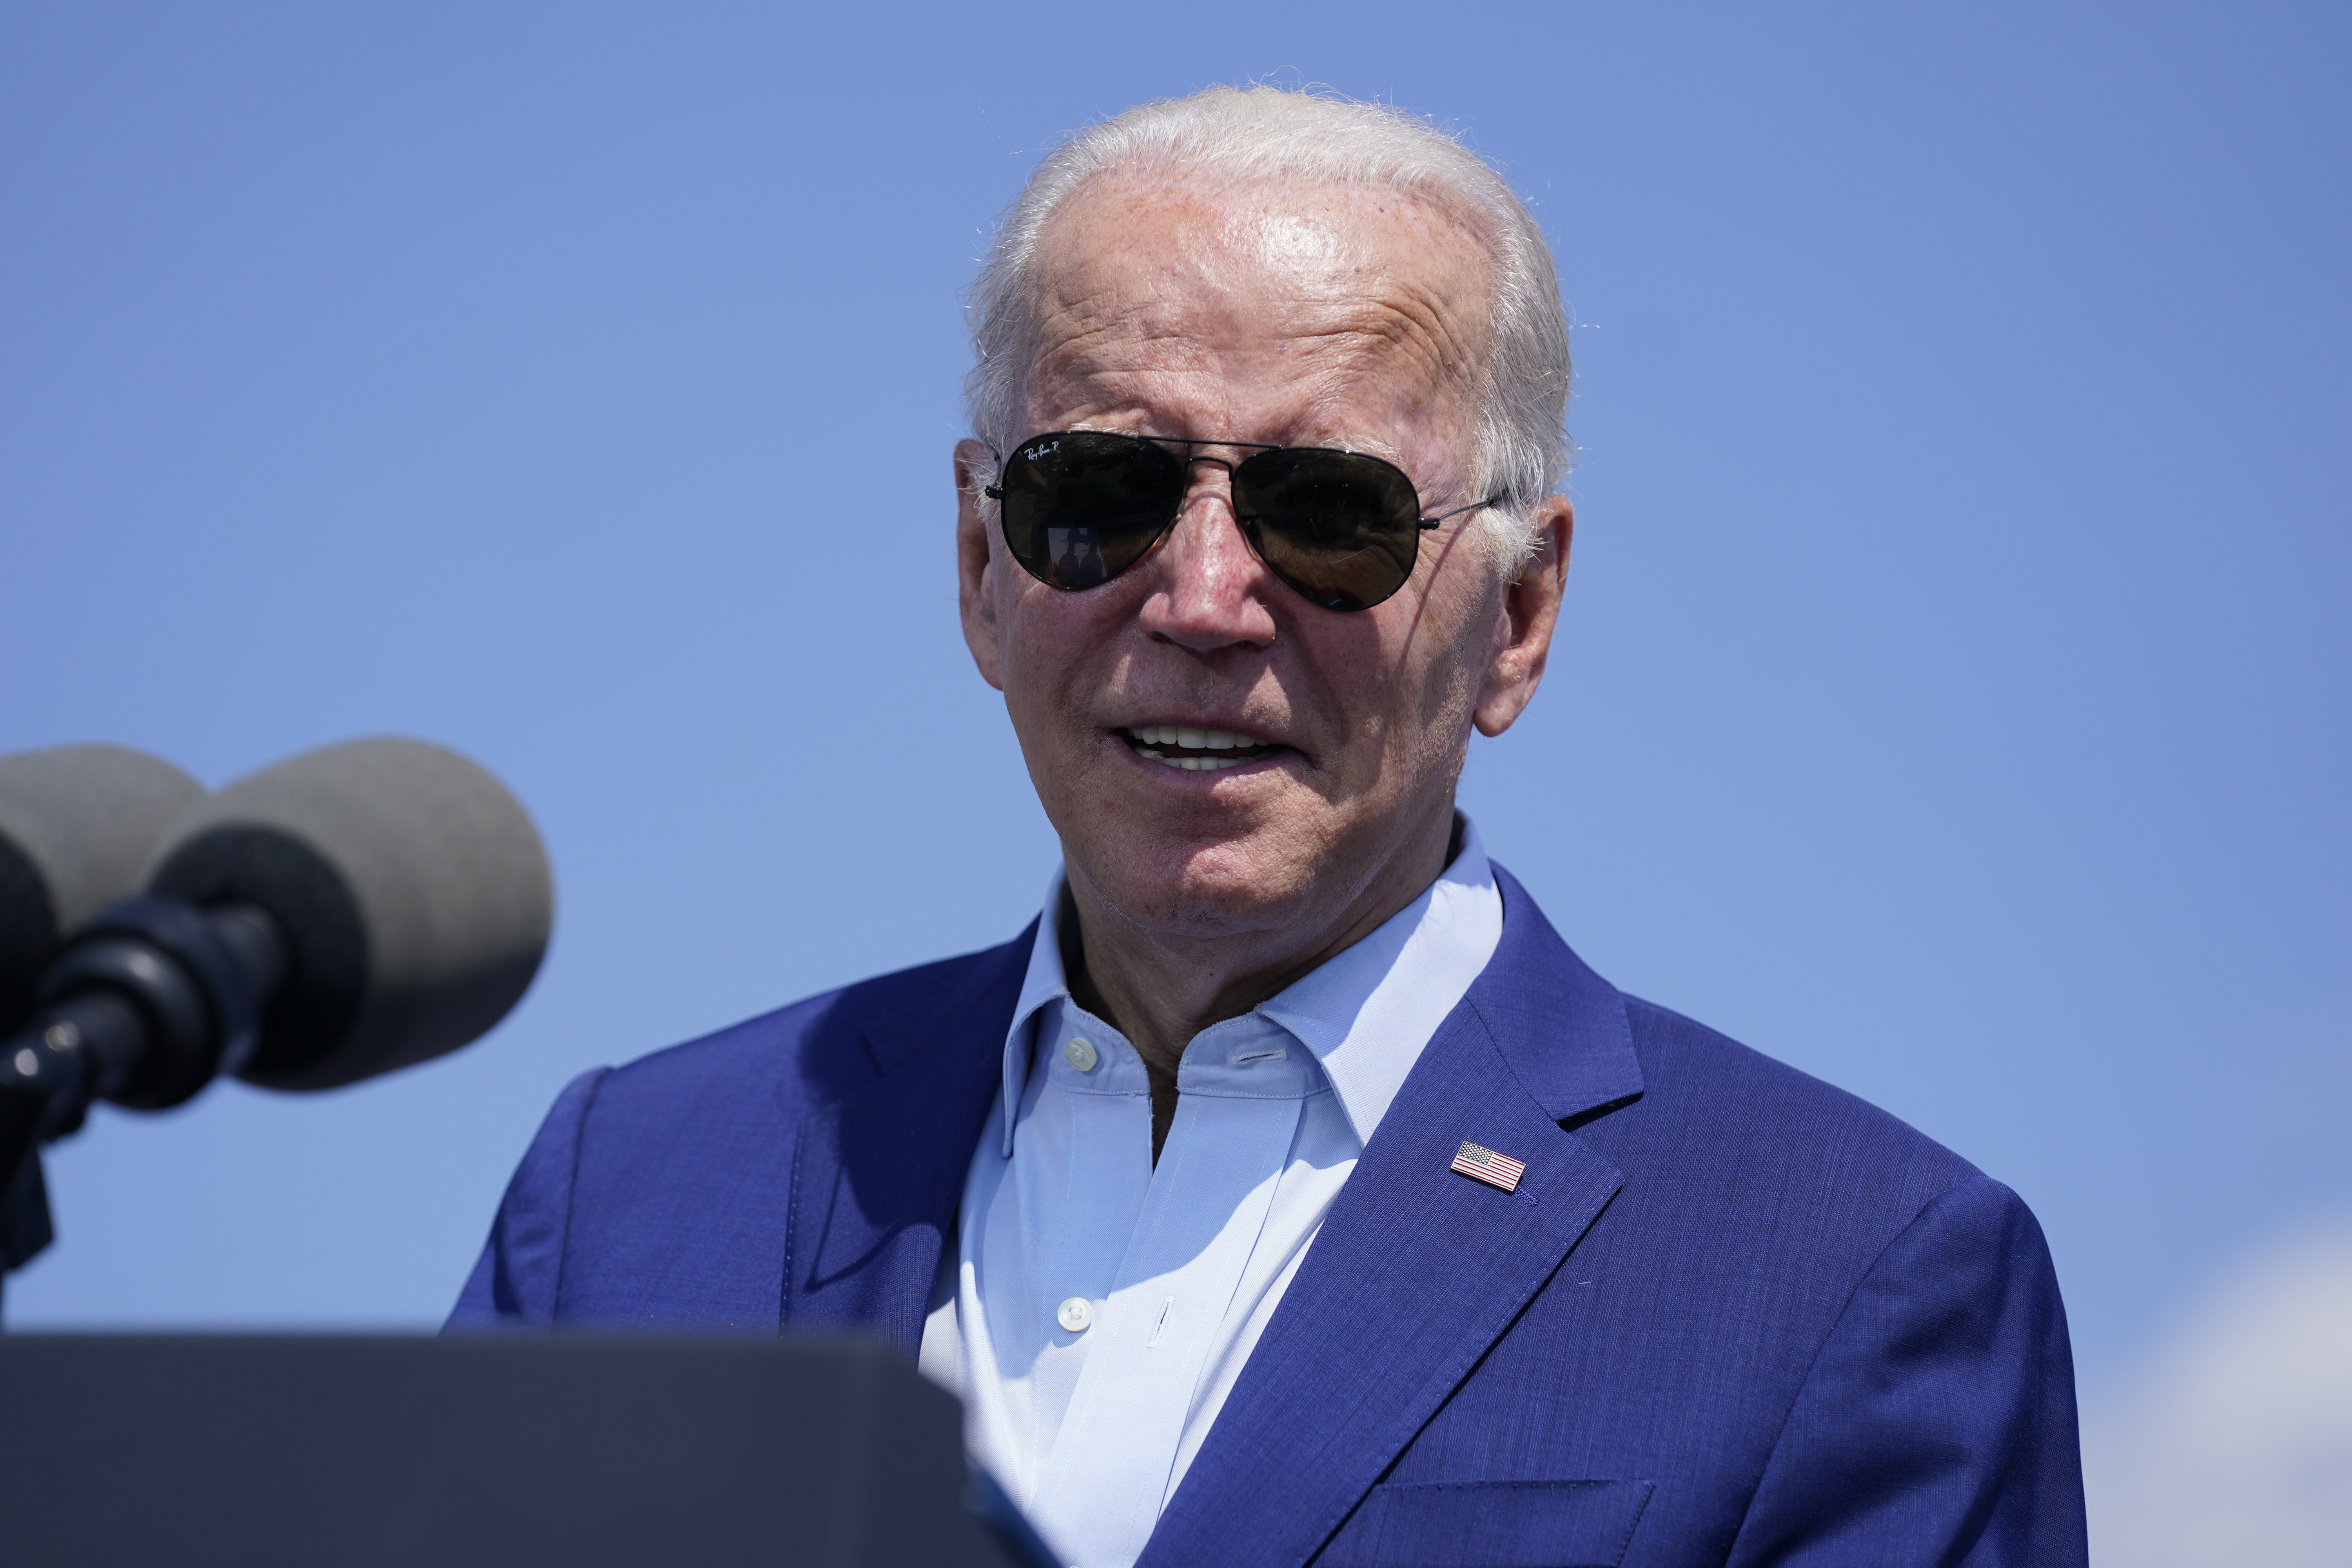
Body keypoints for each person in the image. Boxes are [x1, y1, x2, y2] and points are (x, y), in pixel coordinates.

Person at [450, 85, 2087, 1568]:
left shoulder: (1851, 1274)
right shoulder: (632, 1201)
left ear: (1519, 615)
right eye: (1099, 490)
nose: (1207, 598)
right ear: (976, 564)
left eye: (1330, 511)